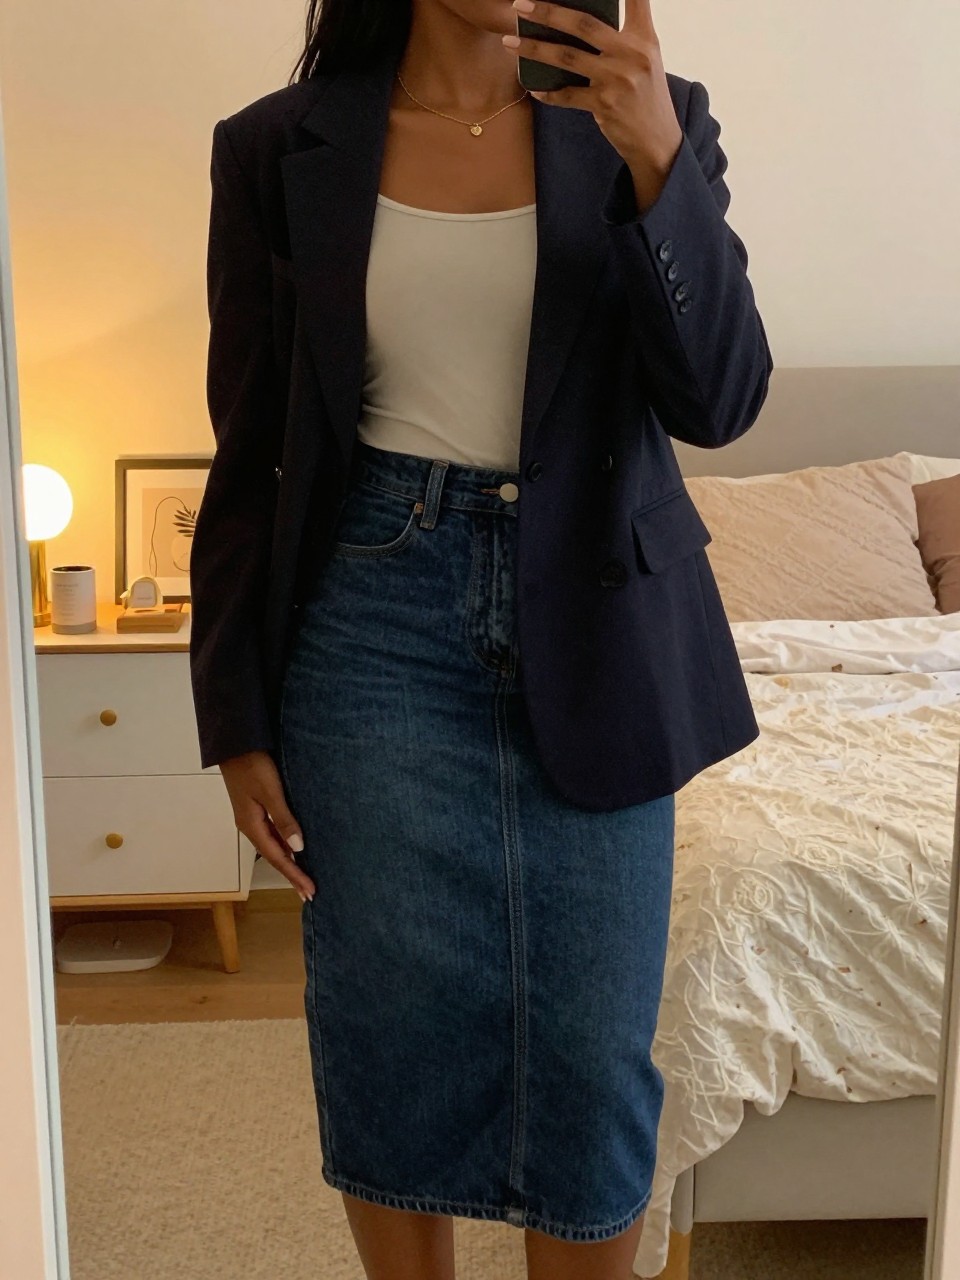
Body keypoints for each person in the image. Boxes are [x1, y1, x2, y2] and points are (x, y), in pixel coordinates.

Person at [189, 1, 773, 1277]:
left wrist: (655, 160)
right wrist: (232, 713)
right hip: (369, 623)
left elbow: (721, 401)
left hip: (598, 621)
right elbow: (252, 450)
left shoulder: (653, 122)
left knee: (590, 1049)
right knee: (390, 1028)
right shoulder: (276, 146)